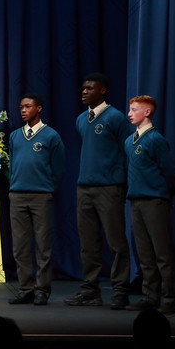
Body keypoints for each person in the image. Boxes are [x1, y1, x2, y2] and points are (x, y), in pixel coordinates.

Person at [65, 73, 132, 309]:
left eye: (89, 88)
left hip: (109, 188)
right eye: (83, 88)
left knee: (116, 242)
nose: (84, 91)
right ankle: (90, 290)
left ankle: (121, 290)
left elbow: (128, 153)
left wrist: (123, 184)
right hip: (85, 189)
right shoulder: (82, 119)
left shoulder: (116, 118)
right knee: (88, 244)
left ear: (102, 91)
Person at [7, 93, 65, 306]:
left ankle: (42, 289)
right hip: (18, 196)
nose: (23, 110)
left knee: (43, 246)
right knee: (20, 247)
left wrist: (49, 189)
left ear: (39, 108)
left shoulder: (51, 136)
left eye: (28, 106)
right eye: (21, 106)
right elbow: (13, 163)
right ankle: (26, 288)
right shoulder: (15, 136)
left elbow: (58, 168)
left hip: (41, 196)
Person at [124, 95, 175, 314]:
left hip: (154, 202)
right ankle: (150, 296)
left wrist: (165, 198)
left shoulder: (155, 139)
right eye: (129, 109)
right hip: (136, 203)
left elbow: (170, 173)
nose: (129, 113)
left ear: (146, 112)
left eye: (134, 109)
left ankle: (169, 298)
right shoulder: (130, 141)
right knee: (144, 252)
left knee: (161, 253)